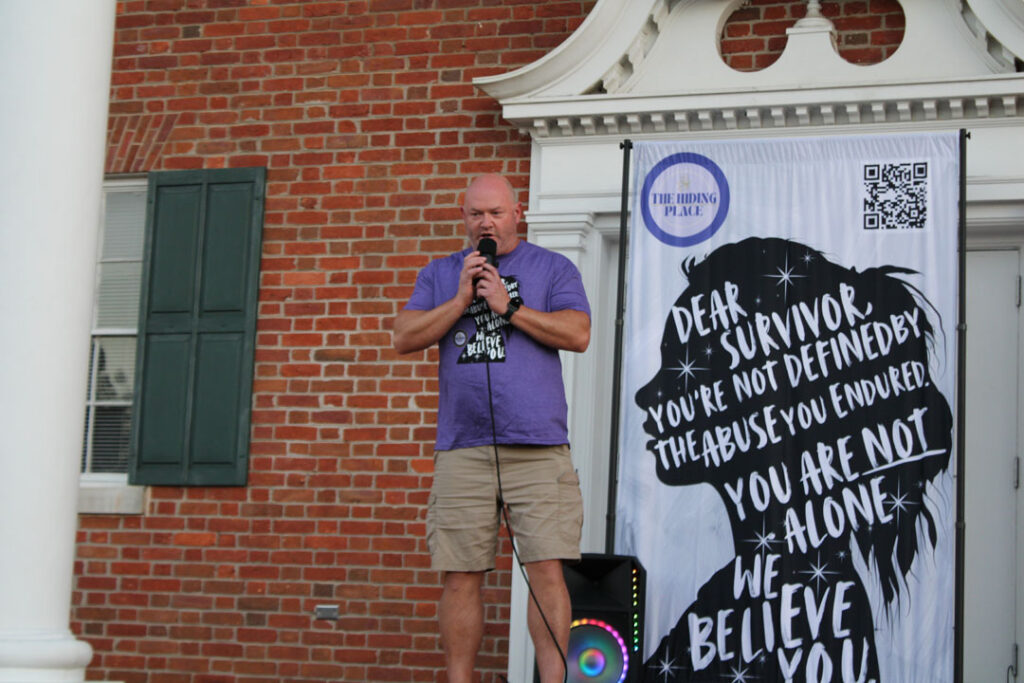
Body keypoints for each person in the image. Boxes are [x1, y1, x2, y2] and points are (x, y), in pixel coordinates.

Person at [393, 173, 591, 682]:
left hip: (539, 445)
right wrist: (461, 300)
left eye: (496, 213)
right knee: (459, 574)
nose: (486, 222)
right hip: (464, 447)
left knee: (547, 571)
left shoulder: (552, 267)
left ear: (517, 212)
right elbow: (403, 336)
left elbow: (579, 332)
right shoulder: (440, 273)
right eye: (476, 213)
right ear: (464, 218)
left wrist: (512, 307)